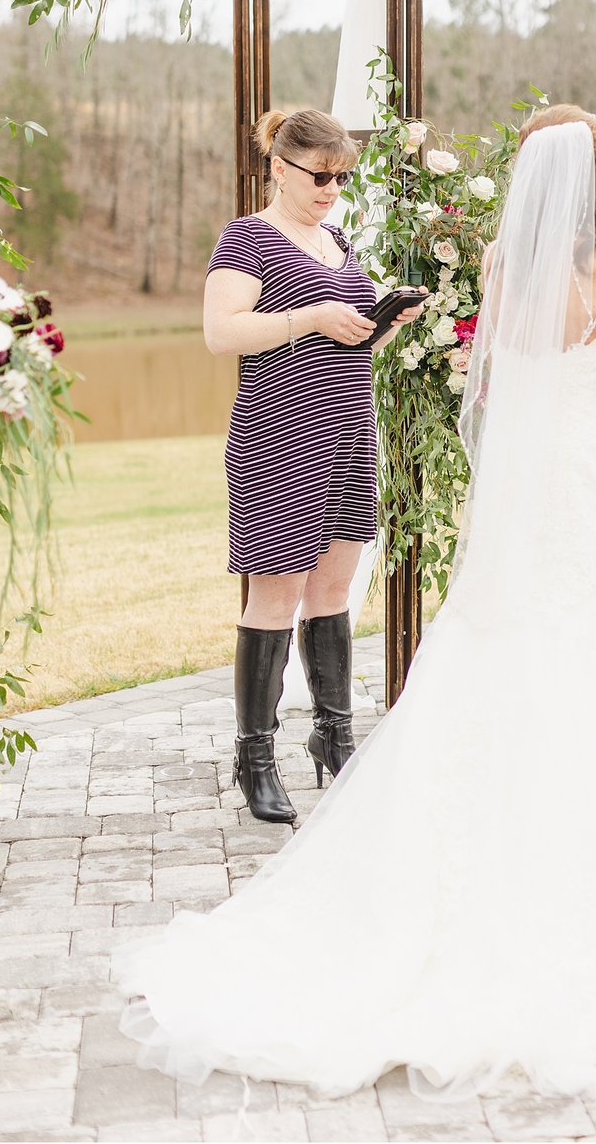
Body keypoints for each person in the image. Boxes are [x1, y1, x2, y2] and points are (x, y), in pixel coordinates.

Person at [114, 108, 596, 1098]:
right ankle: (576, 868)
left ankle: (360, 775)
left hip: (518, 492)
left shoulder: (501, 263)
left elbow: (492, 384)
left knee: (494, 645)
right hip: (584, 482)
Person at [203, 107, 425, 825]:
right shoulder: (248, 237)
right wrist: (311, 317)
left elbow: (347, 346)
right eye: (320, 175)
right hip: (279, 435)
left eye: (341, 176)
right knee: (275, 593)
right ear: (278, 167)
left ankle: (333, 736)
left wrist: (381, 325)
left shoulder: (336, 239)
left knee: (333, 587)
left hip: (346, 433)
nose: (332, 188)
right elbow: (221, 331)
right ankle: (254, 755)